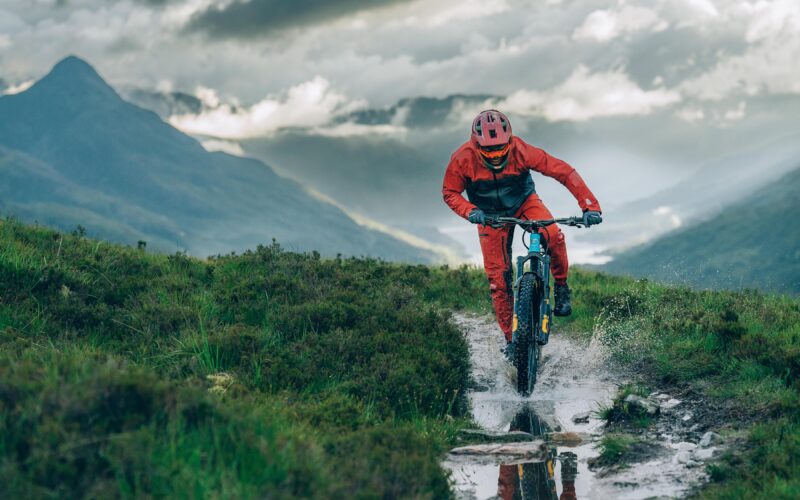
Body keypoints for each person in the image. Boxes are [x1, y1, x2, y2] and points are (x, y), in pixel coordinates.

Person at [442, 110, 602, 356]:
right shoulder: (462, 159)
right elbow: (450, 192)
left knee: (554, 237)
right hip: (488, 215)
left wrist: (590, 206)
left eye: (501, 149)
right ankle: (512, 341)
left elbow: (564, 172)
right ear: (476, 145)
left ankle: (561, 287)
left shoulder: (521, 150)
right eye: (488, 151)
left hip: (524, 202)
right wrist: (470, 211)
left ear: (510, 141)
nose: (496, 156)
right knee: (498, 281)